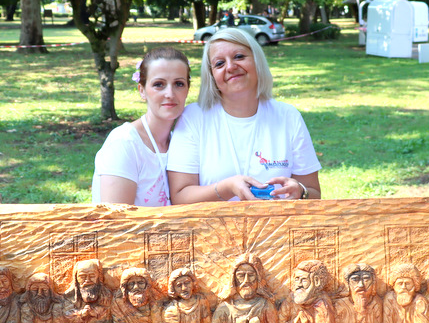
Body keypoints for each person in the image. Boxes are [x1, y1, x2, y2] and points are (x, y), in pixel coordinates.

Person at [167, 28, 321, 203]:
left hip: (276, 221)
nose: (231, 67)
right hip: (214, 221)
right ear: (211, 76)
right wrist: (226, 188)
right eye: (219, 63)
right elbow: (179, 198)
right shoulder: (193, 118)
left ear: (257, 61)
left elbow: (314, 193)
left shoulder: (288, 117)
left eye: (239, 56)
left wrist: (301, 192)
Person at [92, 47, 191, 206]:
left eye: (179, 84)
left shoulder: (181, 142)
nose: (170, 94)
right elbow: (116, 218)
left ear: (187, 90)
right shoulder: (124, 143)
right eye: (159, 84)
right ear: (142, 90)